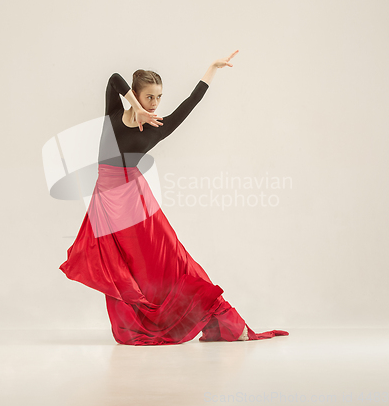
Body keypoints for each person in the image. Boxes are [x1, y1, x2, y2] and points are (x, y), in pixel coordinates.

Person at [59, 50, 289, 345]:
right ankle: (135, 324)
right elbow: (114, 80)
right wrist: (135, 108)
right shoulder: (114, 115)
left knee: (168, 261)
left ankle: (225, 318)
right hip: (105, 201)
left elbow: (191, 103)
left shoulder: (160, 126)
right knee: (120, 269)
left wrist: (211, 70)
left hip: (134, 204)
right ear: (137, 95)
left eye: (159, 97)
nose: (155, 104)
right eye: (149, 97)